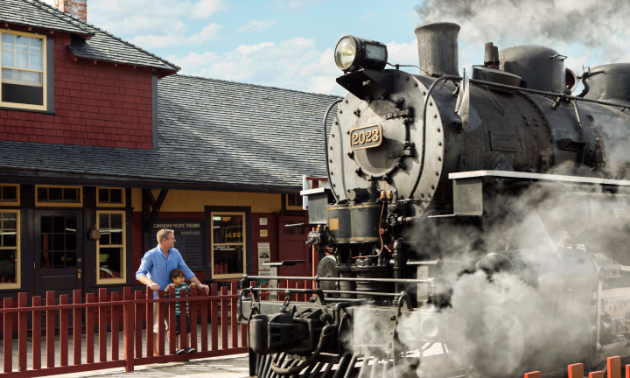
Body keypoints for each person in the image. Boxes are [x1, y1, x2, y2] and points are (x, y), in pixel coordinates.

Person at [136, 229, 210, 356]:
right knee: (156, 326)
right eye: (172, 238)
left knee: (173, 325)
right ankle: (155, 353)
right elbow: (139, 274)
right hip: (157, 296)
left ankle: (175, 351)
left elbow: (185, 270)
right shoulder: (151, 254)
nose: (174, 240)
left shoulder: (175, 253)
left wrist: (200, 284)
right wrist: (150, 283)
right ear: (164, 240)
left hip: (174, 297)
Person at [165, 269, 196, 354]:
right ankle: (176, 348)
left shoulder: (185, 286)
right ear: (174, 279)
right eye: (180, 277)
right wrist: (167, 288)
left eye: (183, 277)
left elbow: (190, 291)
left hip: (184, 312)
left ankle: (187, 347)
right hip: (175, 312)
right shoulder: (171, 287)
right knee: (175, 331)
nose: (183, 279)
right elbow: (164, 294)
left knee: (186, 330)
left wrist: (193, 285)